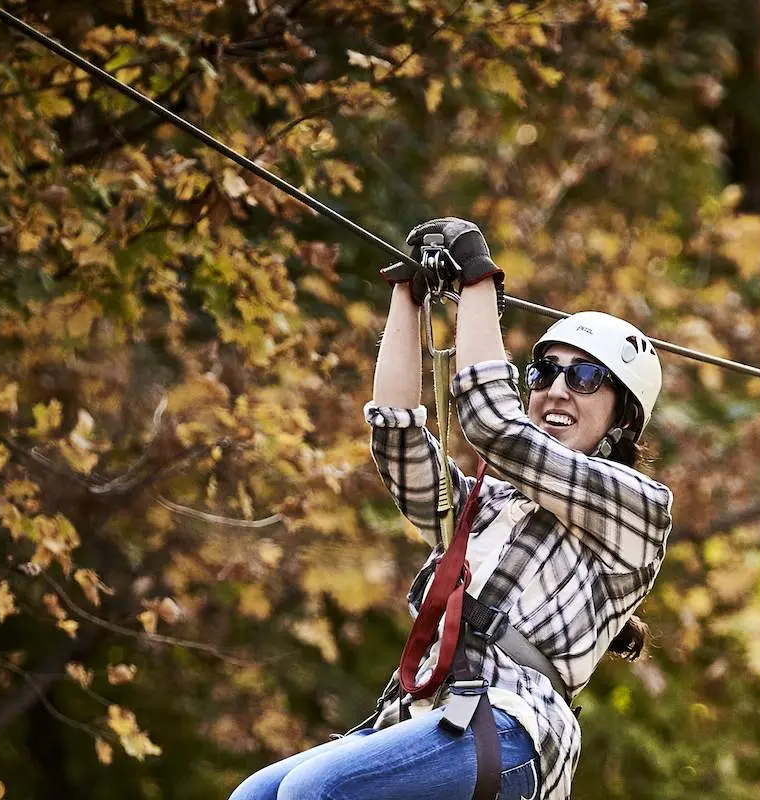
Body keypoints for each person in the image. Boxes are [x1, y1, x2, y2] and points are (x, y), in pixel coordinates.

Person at [228, 218, 673, 800]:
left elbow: (494, 425)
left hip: (514, 726)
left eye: (586, 378)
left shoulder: (639, 512)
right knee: (257, 797)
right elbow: (398, 442)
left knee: (315, 791)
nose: (558, 390)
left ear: (622, 418)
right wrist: (407, 296)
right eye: (545, 373)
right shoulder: (484, 507)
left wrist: (478, 281)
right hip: (426, 714)